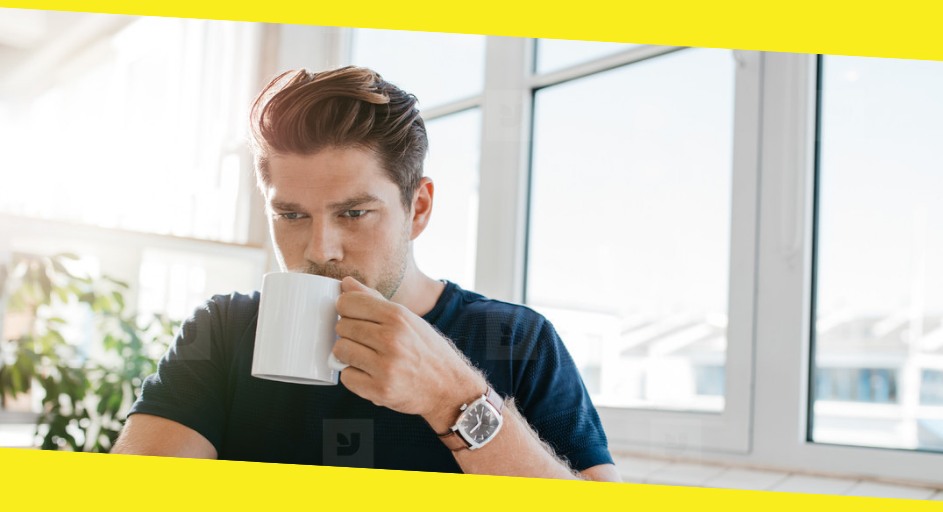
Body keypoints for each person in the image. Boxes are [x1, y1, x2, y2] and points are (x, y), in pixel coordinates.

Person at [111, 66, 621, 482]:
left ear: (417, 208)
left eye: (354, 213)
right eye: (290, 216)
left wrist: (454, 399)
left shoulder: (518, 338)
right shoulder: (223, 329)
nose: (319, 249)